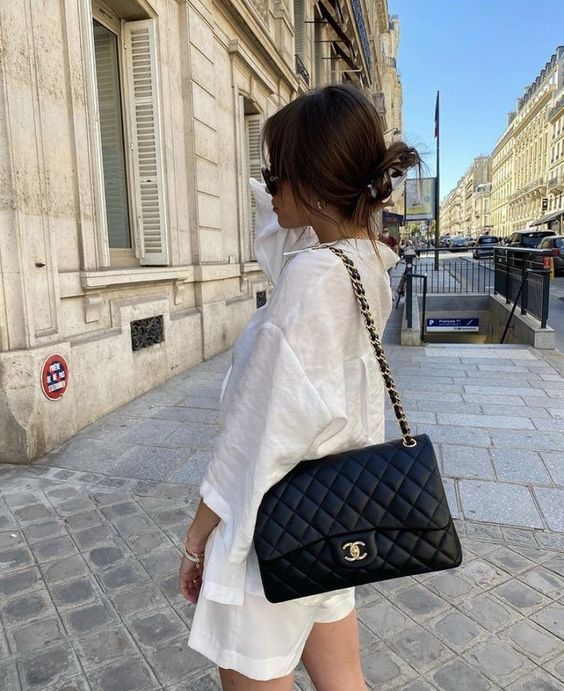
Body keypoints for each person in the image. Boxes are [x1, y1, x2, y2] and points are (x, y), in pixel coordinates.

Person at [179, 85, 421, 691]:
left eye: (274, 175)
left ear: (310, 181)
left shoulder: (311, 278)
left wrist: (199, 536)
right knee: (344, 681)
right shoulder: (364, 261)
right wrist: (289, 182)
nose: (268, 190)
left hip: (273, 530)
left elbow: (257, 433)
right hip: (335, 515)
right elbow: (283, 234)